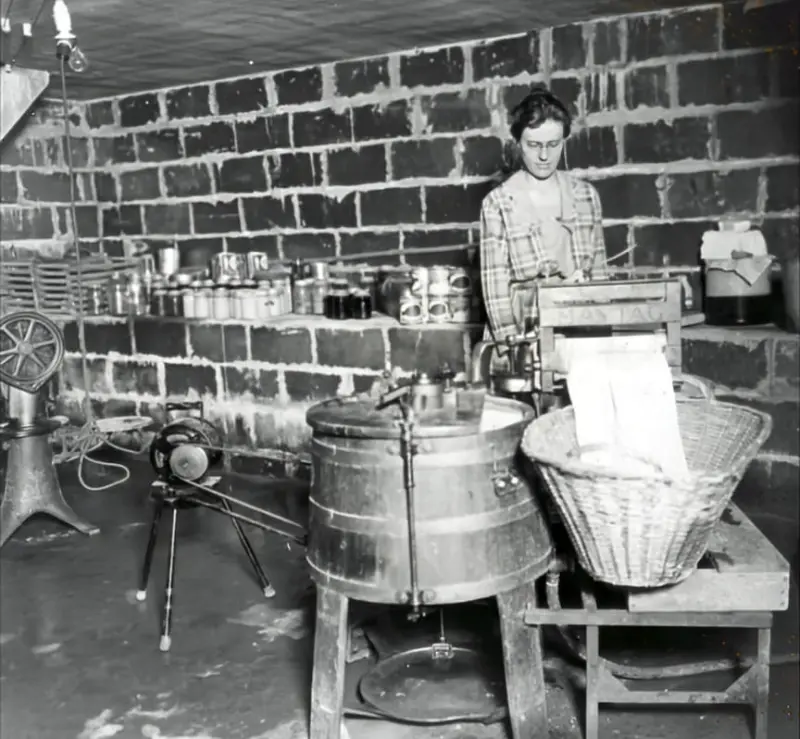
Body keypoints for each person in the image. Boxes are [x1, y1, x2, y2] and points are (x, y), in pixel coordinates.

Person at [479, 84, 609, 369]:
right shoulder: (499, 203)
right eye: (533, 145)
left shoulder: (586, 196)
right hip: (522, 334)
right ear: (517, 143)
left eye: (553, 145)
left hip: (575, 330)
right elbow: (495, 286)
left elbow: (599, 274)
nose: (543, 156)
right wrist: (511, 348)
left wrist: (601, 335)